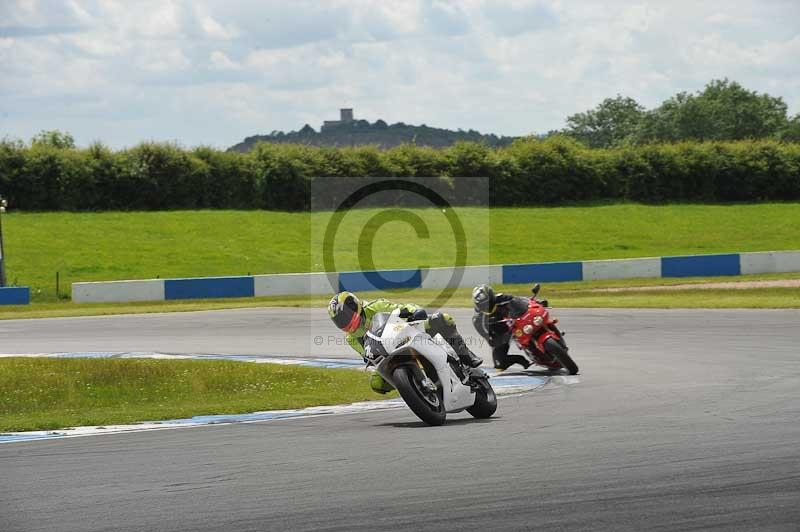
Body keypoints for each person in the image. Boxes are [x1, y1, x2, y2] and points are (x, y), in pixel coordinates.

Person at [328, 291, 483, 393]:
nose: (344, 321)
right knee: (376, 383)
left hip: (408, 333)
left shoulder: (375, 306)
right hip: (388, 355)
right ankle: (413, 388)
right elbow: (367, 357)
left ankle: (466, 355)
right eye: (339, 320)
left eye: (345, 315)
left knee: (442, 319)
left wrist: (414, 311)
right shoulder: (351, 338)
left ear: (354, 305)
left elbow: (401, 308)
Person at [471, 284, 533, 371]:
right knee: (499, 364)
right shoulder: (478, 319)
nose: (486, 306)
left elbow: (520, 300)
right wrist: (491, 339)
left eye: (487, 302)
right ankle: (521, 360)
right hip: (501, 334)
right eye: (482, 304)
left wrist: (535, 301)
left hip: (517, 322)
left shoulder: (501, 298)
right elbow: (486, 334)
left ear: (491, 297)